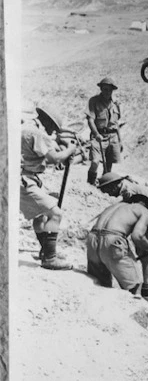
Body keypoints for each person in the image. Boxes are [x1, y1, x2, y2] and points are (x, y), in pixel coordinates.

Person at [21, 105, 82, 270]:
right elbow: (54, 158)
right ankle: (50, 259)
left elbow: (42, 151)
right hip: (23, 179)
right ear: (46, 120)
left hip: (26, 177)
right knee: (55, 213)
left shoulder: (30, 128)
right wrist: (70, 149)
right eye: (52, 127)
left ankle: (45, 251)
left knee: (40, 216)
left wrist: (57, 144)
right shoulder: (37, 133)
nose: (52, 131)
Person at [97, 172, 148, 304]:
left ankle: (147, 291)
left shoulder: (128, 191)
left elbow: (137, 211)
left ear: (114, 186)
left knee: (144, 253)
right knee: (142, 250)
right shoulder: (126, 188)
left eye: (107, 190)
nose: (108, 194)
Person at [86, 201, 148, 302]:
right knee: (134, 291)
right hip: (112, 241)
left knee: (100, 287)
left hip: (92, 239)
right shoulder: (145, 211)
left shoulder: (114, 206)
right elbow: (137, 236)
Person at [86, 77, 123, 185]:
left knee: (109, 164)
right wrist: (96, 134)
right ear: (101, 89)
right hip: (99, 137)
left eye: (110, 90)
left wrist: (120, 141)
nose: (107, 92)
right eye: (105, 89)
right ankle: (90, 184)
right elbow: (90, 120)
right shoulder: (94, 101)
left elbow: (116, 124)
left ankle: (104, 184)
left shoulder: (116, 104)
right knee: (95, 161)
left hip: (113, 137)